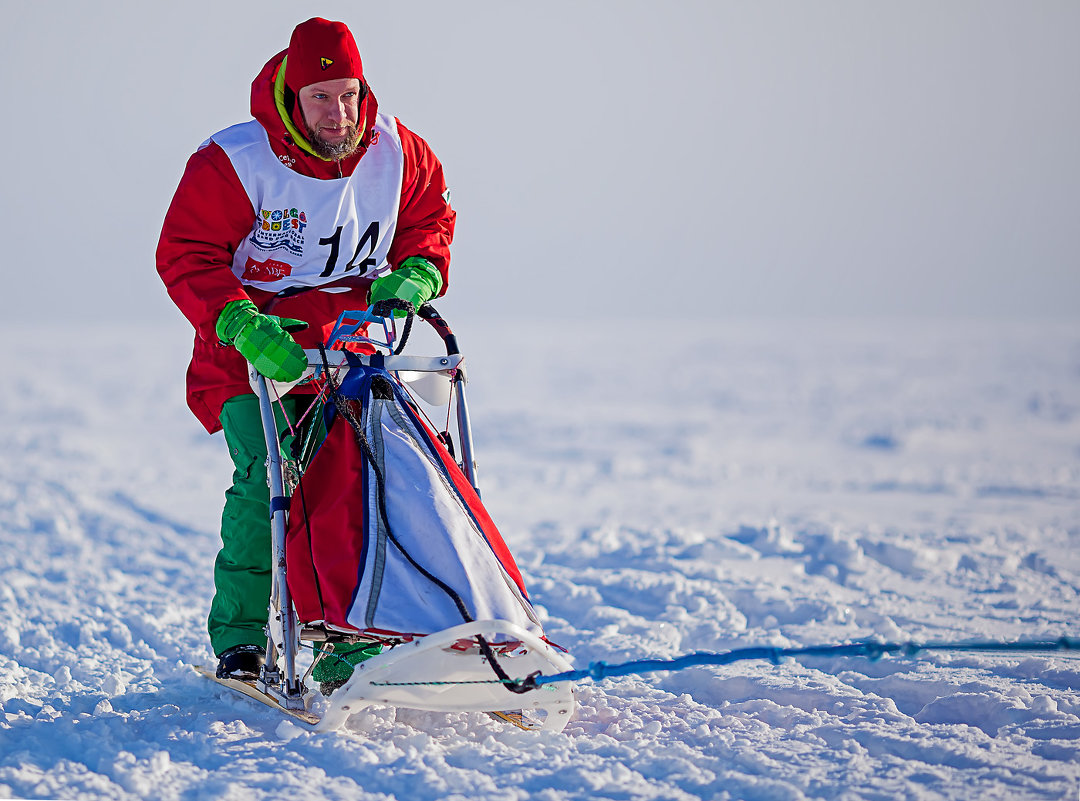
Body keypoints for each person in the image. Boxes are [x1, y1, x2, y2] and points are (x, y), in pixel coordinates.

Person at [156, 18, 456, 682]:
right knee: (269, 475)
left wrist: (418, 271)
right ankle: (240, 634)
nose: (338, 113)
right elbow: (186, 252)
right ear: (293, 94)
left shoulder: (397, 151)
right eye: (321, 96)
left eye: (348, 94)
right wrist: (241, 324)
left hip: (349, 347)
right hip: (249, 348)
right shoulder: (233, 161)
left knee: (364, 476)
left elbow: (430, 216)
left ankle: (353, 630)